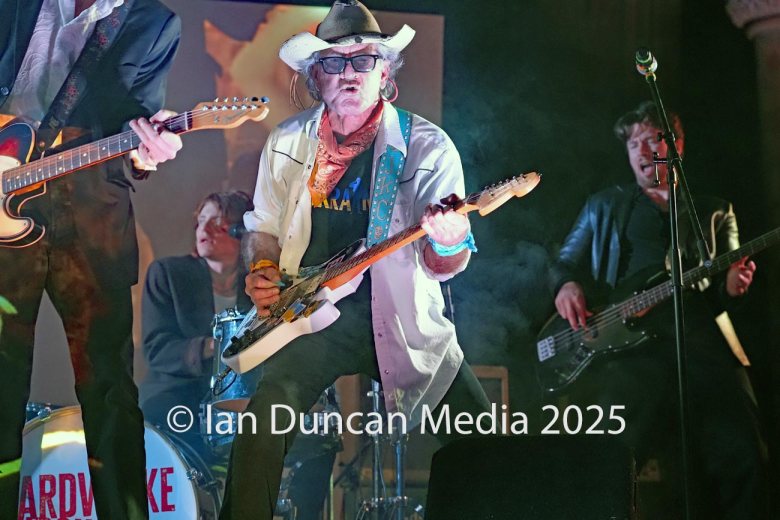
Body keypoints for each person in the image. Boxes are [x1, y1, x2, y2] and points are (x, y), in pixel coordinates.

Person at [218, 1, 492, 518]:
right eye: (334, 62)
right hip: (312, 319)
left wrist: (451, 239)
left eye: (363, 61)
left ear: (385, 72)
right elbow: (264, 230)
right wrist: (261, 268)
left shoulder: (427, 147)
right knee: (261, 428)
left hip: (401, 316)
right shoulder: (285, 143)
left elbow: (442, 265)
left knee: (481, 441)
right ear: (315, 76)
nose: (349, 73)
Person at [0, 1, 182, 518]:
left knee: (109, 386)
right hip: (4, 197)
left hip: (91, 217)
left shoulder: (154, 22)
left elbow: (136, 126)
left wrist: (147, 151)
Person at [549, 100, 767, 518]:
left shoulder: (715, 210)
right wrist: (566, 285)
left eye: (653, 140)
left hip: (701, 343)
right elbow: (562, 263)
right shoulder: (604, 206)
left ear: (677, 145)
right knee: (612, 457)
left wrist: (735, 285)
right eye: (634, 145)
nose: (645, 153)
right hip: (629, 349)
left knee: (745, 454)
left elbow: (728, 282)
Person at [140, 191, 254, 459]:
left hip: (245, 392)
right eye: (201, 220)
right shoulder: (168, 274)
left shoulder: (259, 281)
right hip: (181, 391)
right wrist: (212, 347)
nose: (203, 228)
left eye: (217, 221)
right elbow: (157, 350)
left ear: (244, 230)